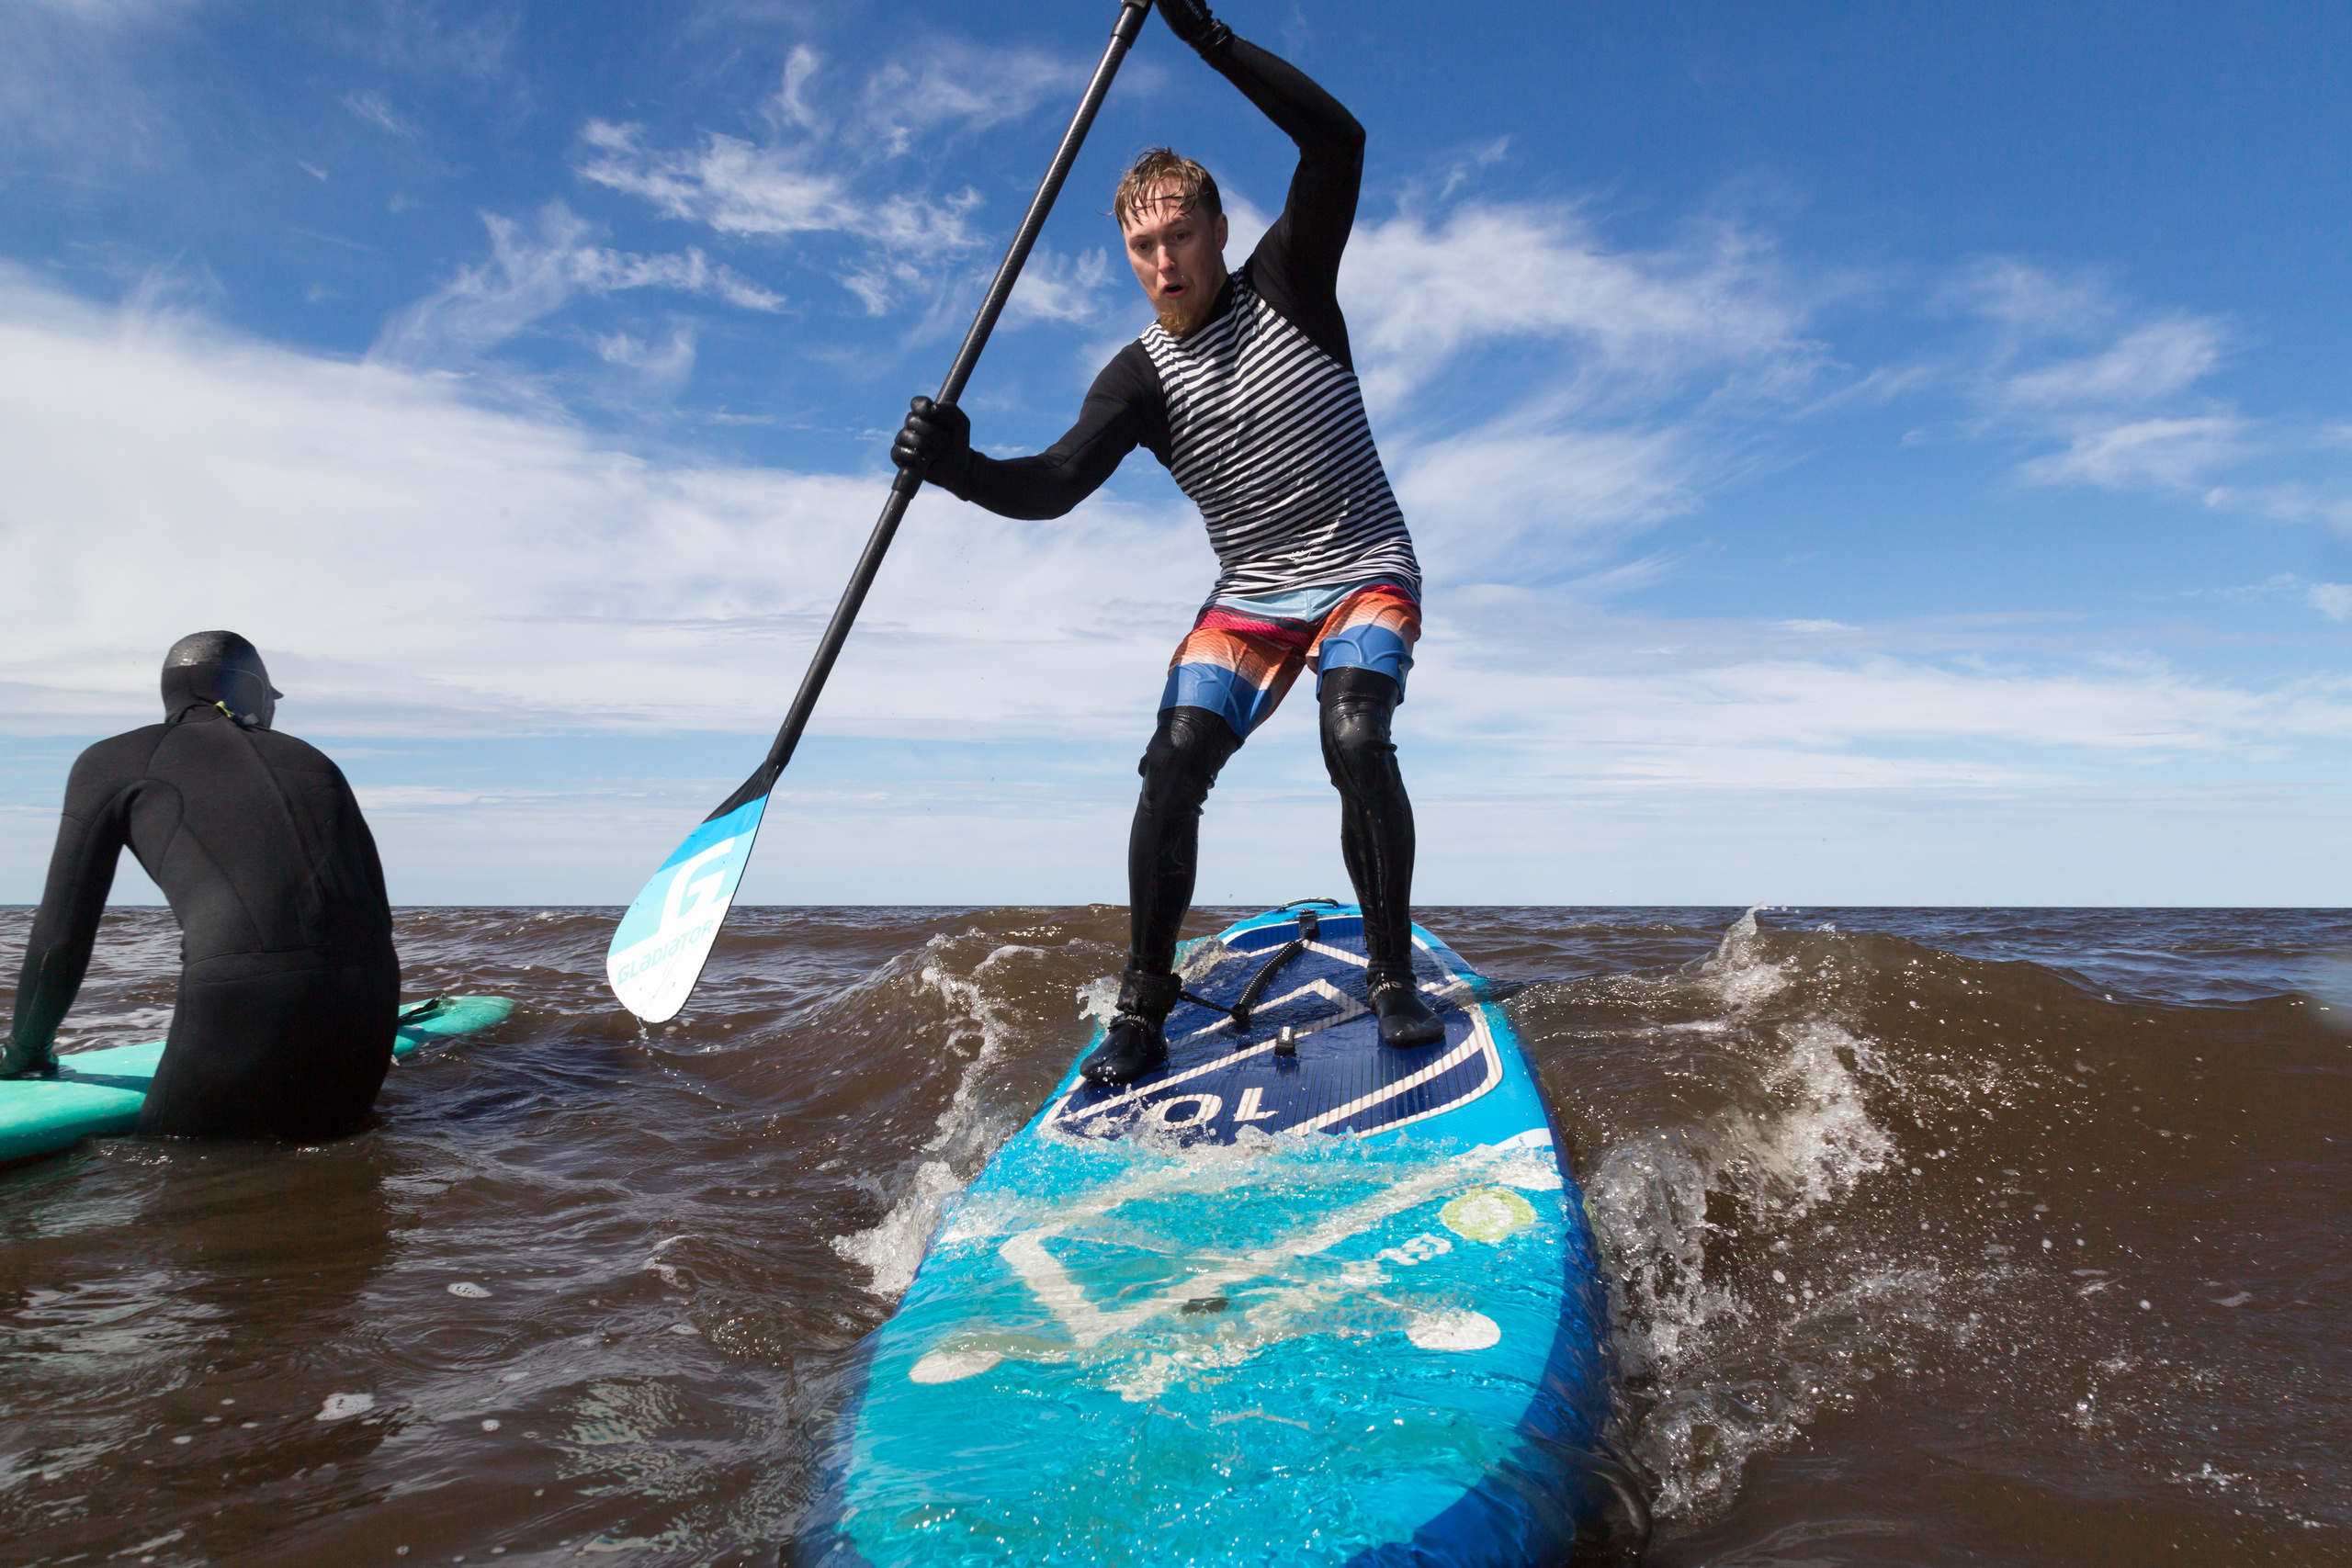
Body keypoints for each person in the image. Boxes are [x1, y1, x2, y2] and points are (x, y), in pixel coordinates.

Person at [892, 0, 1442, 1084]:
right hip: (1250, 596)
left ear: (1217, 231)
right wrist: (956, 467)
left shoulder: (1289, 285)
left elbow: (1338, 143)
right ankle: (1143, 1005)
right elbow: (1051, 486)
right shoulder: (1139, 377)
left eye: (1178, 234)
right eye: (1141, 245)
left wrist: (1210, 38)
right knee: (1173, 761)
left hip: (1363, 570)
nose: (1161, 260)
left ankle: (1389, 974)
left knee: (1353, 739)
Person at [0, 632, 401, 1141]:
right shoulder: (314, 761)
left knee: (185, 1178)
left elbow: (62, 931)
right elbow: (377, 914)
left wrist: (27, 1054)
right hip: (371, 994)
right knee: (341, 1165)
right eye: (272, 696)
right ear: (249, 689)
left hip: (239, 998)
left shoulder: (112, 762)